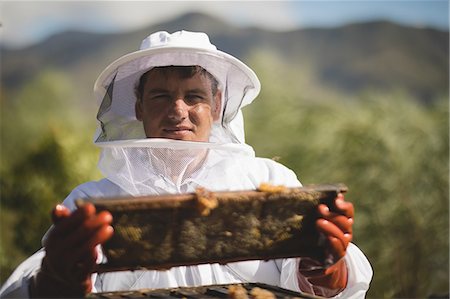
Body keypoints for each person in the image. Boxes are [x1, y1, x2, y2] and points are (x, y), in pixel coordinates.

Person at [0, 30, 372, 298]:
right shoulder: (93, 201)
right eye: (161, 96)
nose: (178, 111)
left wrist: (326, 266)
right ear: (139, 107)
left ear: (218, 104)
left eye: (193, 96)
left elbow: (334, 285)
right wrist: (58, 278)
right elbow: (30, 286)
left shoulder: (268, 180)